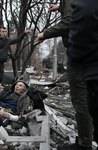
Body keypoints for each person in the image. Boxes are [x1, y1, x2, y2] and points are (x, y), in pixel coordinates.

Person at [36, 1, 93, 150]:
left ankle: (84, 144)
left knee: (81, 99)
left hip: (82, 51)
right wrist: (60, 7)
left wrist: (45, 33)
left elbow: (69, 22)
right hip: (91, 48)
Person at [67, 0, 98, 148]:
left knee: (83, 102)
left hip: (92, 67)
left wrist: (76, 58)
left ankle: (84, 143)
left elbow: (86, 13)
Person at [0, 27, 31, 97]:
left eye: (5, 32)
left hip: (1, 62)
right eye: (3, 31)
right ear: (0, 32)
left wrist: (24, 33)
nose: (4, 33)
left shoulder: (8, 40)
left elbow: (17, 40)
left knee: (0, 78)